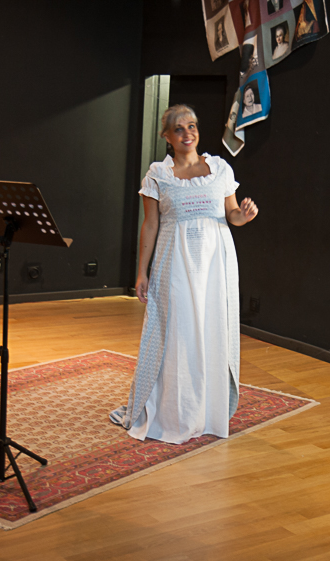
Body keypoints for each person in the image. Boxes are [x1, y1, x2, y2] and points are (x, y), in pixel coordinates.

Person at [110, 104, 258, 444]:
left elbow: (231, 214)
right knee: (177, 333)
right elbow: (150, 225)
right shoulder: (158, 175)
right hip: (174, 263)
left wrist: (244, 216)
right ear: (167, 137)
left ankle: (208, 410)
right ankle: (172, 412)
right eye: (179, 128)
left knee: (211, 332)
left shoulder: (219, 168)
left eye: (192, 126)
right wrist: (141, 273)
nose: (187, 132)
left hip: (215, 267)